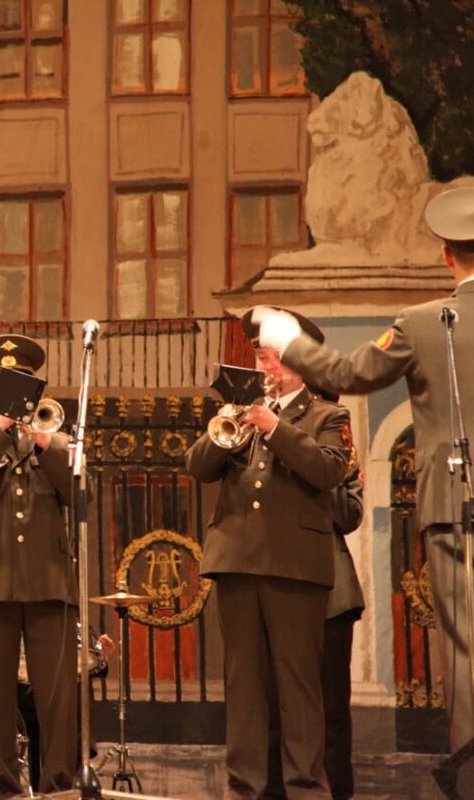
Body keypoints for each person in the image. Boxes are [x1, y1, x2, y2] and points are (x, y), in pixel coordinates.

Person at [253, 185, 474, 763]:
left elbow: (348, 373)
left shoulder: (425, 323)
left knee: (465, 649)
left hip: (454, 506)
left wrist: (287, 340)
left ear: (447, 255)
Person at [186, 310, 351, 800]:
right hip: (236, 563)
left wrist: (275, 427)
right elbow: (198, 466)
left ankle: (304, 789)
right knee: (244, 689)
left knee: (299, 688)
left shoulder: (327, 416)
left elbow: (327, 472)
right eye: (262, 357)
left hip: (295, 569)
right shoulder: (239, 413)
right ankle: (245, 789)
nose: (269, 365)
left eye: (276, 357)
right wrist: (230, 422)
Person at [0, 334, 87, 799]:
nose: (11, 390)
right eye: (0, 383)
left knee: (57, 697)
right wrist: (2, 426)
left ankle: (58, 787)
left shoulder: (59, 439)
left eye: (21, 382)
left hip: (48, 584)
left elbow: (81, 495)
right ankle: (4, 787)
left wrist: (43, 441)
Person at [268, 456, 365, 800]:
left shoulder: (341, 460)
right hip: (279, 586)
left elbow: (348, 516)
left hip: (332, 597)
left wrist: (326, 470)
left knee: (332, 703)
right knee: (277, 701)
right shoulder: (273, 455)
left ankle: (336, 790)